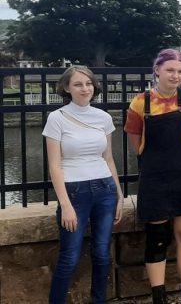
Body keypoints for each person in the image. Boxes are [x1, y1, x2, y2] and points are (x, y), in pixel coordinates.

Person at [124, 49, 181, 304]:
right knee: (156, 239)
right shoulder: (140, 103)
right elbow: (136, 142)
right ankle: (159, 296)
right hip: (154, 178)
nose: (176, 76)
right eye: (170, 70)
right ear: (157, 70)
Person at [44, 65, 124, 304]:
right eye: (78, 84)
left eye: (88, 83)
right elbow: (55, 166)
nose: (85, 88)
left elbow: (108, 158)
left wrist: (119, 195)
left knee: (101, 254)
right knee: (69, 257)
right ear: (67, 88)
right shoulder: (56, 118)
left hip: (105, 189)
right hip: (74, 192)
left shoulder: (103, 118)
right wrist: (65, 205)